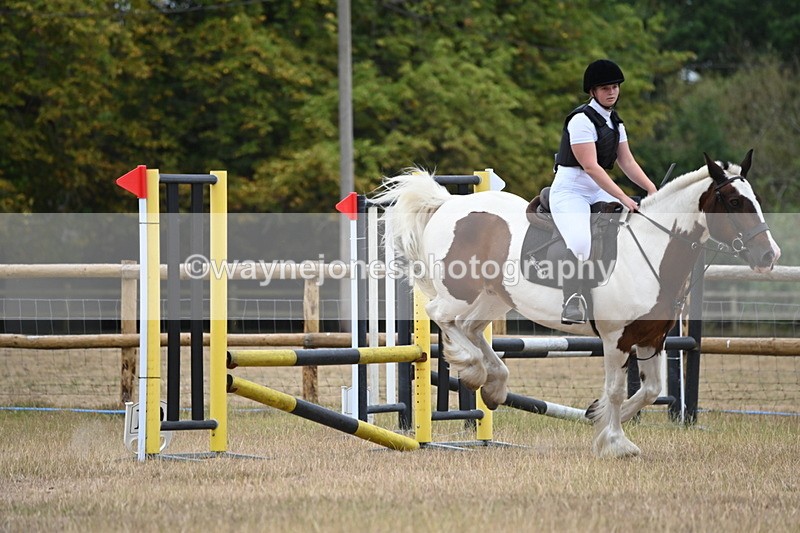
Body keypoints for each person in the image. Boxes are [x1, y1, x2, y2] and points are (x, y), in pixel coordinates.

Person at [551, 59, 657, 324]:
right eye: (605, 88)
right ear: (592, 92)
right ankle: (572, 300)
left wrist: (652, 189)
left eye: (614, 87)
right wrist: (622, 196)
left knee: (633, 226)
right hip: (571, 189)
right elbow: (590, 167)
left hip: (597, 188)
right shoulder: (580, 120)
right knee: (580, 243)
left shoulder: (616, 123)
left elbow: (627, 162)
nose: (611, 92)